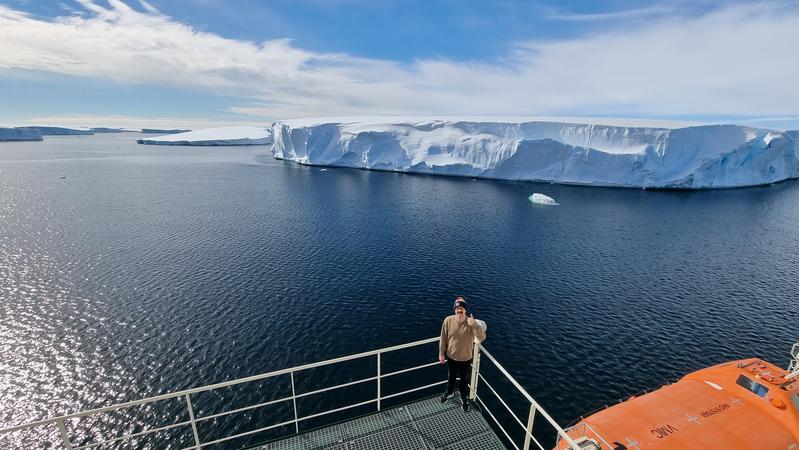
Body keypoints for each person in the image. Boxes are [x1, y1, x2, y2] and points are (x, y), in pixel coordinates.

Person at [438, 296, 486, 413]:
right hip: (451, 356)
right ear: (454, 310)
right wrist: (441, 353)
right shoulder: (448, 320)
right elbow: (443, 338)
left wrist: (474, 325)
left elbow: (482, 337)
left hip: (466, 358)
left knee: (464, 380)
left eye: (461, 309)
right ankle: (449, 392)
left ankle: (464, 399)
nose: (459, 311)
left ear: (465, 310)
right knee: (451, 376)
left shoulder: (470, 322)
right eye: (457, 308)